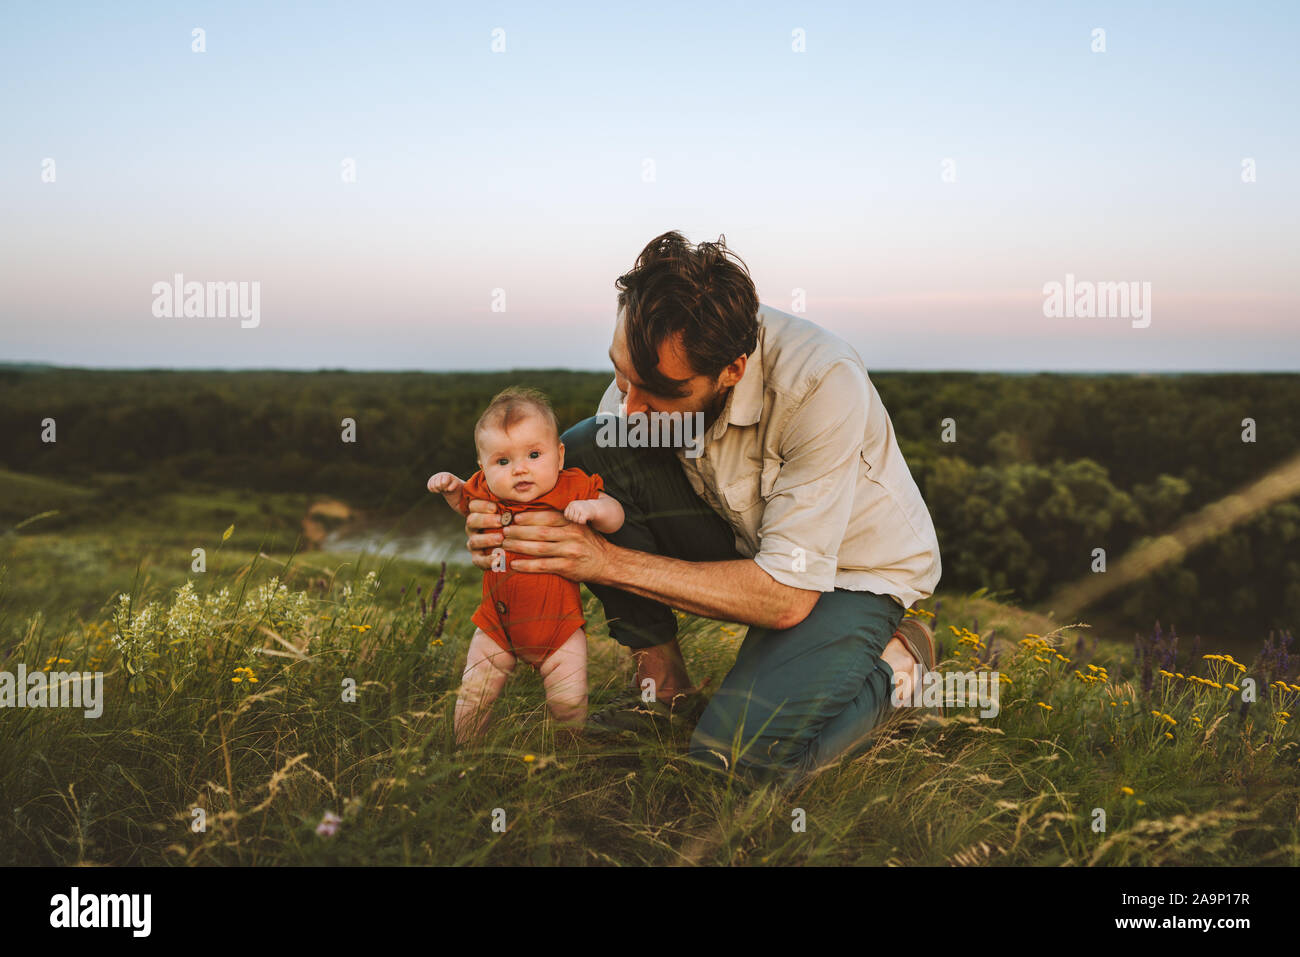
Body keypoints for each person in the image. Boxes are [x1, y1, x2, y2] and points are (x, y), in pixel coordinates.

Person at [463, 231, 942, 783]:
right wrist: (504, 524)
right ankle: (664, 690)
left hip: (844, 572)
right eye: (622, 375)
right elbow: (576, 475)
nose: (629, 407)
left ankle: (898, 670)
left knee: (730, 762)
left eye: (659, 393)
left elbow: (786, 597)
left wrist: (600, 561)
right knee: (596, 446)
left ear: (732, 371)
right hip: (741, 530)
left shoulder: (822, 380)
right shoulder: (648, 374)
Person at [428, 386, 625, 743]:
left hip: (559, 630)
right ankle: (465, 753)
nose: (520, 470)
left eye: (534, 455)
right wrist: (453, 489)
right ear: (483, 468)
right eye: (502, 462)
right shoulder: (486, 491)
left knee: (568, 702)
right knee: (474, 694)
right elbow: (465, 506)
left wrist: (594, 509)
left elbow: (616, 516)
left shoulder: (570, 487)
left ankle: (568, 757)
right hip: (496, 625)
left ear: (559, 456)